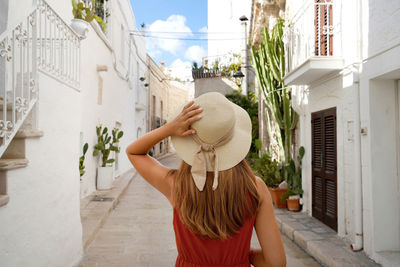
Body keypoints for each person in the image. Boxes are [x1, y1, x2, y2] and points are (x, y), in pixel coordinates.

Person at [125, 92, 286, 267]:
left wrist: (169, 128)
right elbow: (276, 263)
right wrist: (244, 256)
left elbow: (134, 152)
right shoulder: (256, 187)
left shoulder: (175, 184)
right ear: (234, 141)